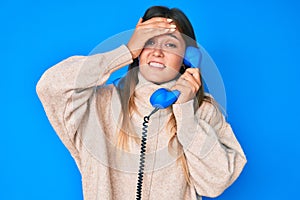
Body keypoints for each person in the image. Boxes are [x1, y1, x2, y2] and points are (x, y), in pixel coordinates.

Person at [36, 5, 246, 200]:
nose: (157, 51)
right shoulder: (100, 105)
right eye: (149, 41)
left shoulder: (202, 111)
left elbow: (217, 182)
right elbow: (50, 86)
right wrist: (125, 51)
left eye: (170, 44)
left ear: (188, 58)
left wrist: (185, 111)